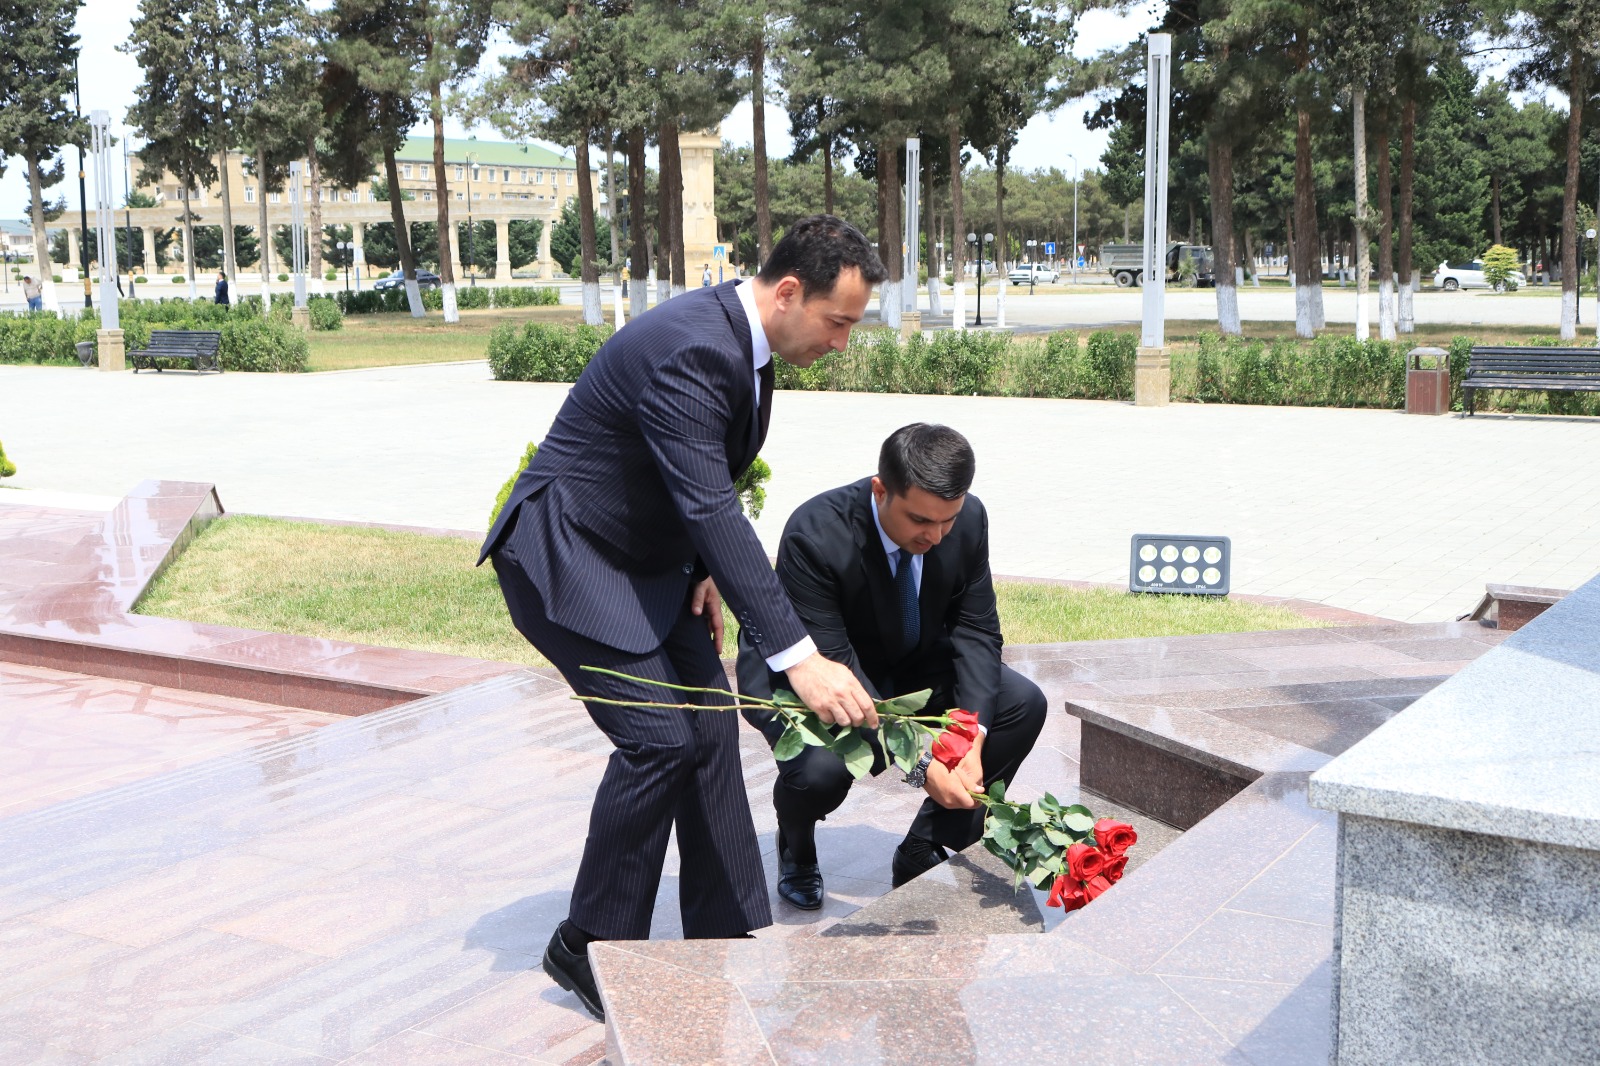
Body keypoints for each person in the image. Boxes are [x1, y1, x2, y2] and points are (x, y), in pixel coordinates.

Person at [480, 214, 889, 1020]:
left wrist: (701, 572)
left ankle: (726, 938)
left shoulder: (746, 346)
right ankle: (591, 945)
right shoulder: (695, 347)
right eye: (839, 322)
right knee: (657, 738)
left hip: (647, 565)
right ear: (788, 292)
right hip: (566, 559)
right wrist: (797, 655)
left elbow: (696, 476)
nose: (843, 343)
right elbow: (709, 501)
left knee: (705, 726)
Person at [737, 423, 1047, 910]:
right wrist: (923, 764)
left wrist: (971, 737)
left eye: (948, 520)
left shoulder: (966, 522)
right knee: (818, 772)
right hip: (818, 674)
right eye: (921, 520)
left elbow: (976, 631)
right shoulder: (816, 535)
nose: (936, 535)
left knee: (1020, 703)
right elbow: (837, 667)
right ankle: (795, 844)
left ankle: (927, 843)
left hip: (910, 660)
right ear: (881, 490)